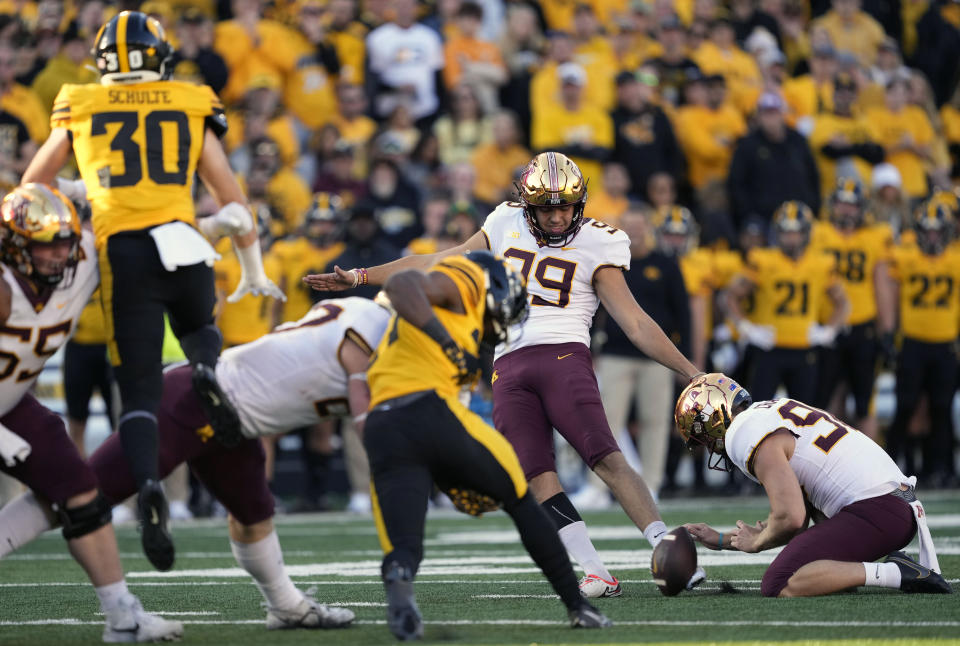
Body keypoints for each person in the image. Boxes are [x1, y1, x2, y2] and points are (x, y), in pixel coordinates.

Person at [304, 152, 704, 599]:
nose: (556, 217)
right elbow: (440, 260)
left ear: (580, 203)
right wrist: (362, 276)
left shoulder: (599, 241)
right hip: (507, 366)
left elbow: (634, 322)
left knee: (604, 455)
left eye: (564, 207)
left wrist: (690, 372)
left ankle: (668, 549)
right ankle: (594, 571)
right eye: (546, 208)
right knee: (534, 474)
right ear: (527, 205)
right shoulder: (503, 222)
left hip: (563, 356)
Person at [20, 11, 284, 572]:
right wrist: (252, 268)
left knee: (138, 394)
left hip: (126, 252)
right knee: (199, 330)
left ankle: (148, 488)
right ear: (159, 57)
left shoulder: (81, 101)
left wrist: (85, 193)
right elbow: (232, 197)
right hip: (183, 242)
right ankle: (206, 370)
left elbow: (30, 190)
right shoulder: (190, 98)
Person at [0, 295, 392, 628]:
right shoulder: (373, 329)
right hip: (192, 402)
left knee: (254, 515)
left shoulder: (370, 319)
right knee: (75, 496)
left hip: (234, 423)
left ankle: (286, 606)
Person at [363, 250, 611, 640]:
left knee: (404, 544)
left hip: (383, 425)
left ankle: (400, 581)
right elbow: (400, 283)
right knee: (521, 498)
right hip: (430, 408)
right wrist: (447, 344)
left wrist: (449, 474)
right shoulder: (467, 278)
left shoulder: (444, 324)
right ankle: (578, 605)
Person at [0, 183, 183, 642]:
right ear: (15, 244)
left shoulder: (81, 258)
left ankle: (123, 616)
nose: (60, 254)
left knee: (81, 491)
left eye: (65, 241)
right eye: (47, 245)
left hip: (12, 401)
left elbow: (138, 233)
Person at [677, 373, 952, 597]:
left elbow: (792, 518)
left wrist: (758, 541)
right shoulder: (770, 410)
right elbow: (801, 521)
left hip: (877, 509)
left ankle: (896, 572)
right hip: (894, 505)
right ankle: (852, 575)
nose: (711, 448)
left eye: (704, 440)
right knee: (801, 562)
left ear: (713, 421)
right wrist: (726, 541)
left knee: (778, 582)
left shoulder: (741, 433)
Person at [725, 201, 850, 403]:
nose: (791, 238)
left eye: (796, 232)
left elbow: (843, 302)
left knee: (806, 417)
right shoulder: (762, 260)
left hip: (805, 350)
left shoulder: (821, 263)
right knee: (757, 411)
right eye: (785, 232)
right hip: (769, 348)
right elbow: (730, 296)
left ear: (807, 233)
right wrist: (746, 328)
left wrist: (829, 331)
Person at [810, 178, 895, 439]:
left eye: (852, 205)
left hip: (863, 326)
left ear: (862, 208)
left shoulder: (874, 237)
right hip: (828, 327)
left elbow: (881, 285)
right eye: (841, 204)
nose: (846, 210)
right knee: (826, 403)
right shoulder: (817, 232)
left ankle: (871, 472)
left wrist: (888, 330)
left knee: (864, 403)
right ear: (832, 205)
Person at [886, 201, 960, 487]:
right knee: (905, 405)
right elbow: (890, 292)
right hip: (913, 343)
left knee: (942, 407)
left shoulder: (954, 258)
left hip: (945, 345)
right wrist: (890, 333)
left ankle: (939, 468)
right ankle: (892, 465)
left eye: (936, 231)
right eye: (926, 231)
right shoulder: (905, 256)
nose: (931, 237)